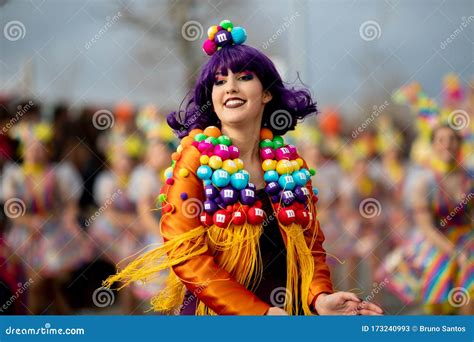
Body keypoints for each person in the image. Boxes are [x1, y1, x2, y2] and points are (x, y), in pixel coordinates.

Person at [105, 20, 383, 316]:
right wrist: (257, 314)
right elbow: (186, 255)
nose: (231, 88)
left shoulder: (290, 164)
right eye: (220, 81)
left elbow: (310, 247)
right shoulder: (194, 159)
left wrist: (320, 298)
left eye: (244, 77)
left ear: (266, 93)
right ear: (211, 98)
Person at [379, 124, 473, 315]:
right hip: (436, 241)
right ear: (432, 145)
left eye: (452, 139)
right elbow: (426, 227)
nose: (447, 144)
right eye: (441, 140)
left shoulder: (469, 178)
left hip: (467, 239)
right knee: (438, 292)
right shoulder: (423, 181)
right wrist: (456, 253)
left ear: (460, 144)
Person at [3, 122, 91, 314]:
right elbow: (11, 209)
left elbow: (71, 203)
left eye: (38, 148)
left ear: (47, 150)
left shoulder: (59, 173)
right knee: (35, 284)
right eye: (29, 148)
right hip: (25, 235)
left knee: (46, 283)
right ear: (22, 150)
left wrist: (70, 220)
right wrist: (28, 221)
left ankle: (51, 322)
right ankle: (37, 323)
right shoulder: (14, 175)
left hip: (54, 233)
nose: (34, 153)